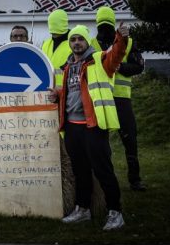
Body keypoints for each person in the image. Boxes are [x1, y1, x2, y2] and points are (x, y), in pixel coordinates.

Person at [48, 23, 129, 231]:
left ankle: (115, 212)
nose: (76, 43)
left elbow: (116, 55)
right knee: (80, 171)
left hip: (93, 125)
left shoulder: (99, 60)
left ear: (87, 41)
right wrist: (58, 94)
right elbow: (73, 90)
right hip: (72, 127)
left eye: (80, 39)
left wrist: (121, 38)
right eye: (73, 40)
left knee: (103, 170)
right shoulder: (68, 67)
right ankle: (82, 209)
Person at [91, 6, 146, 191]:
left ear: (113, 23)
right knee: (99, 141)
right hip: (99, 99)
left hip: (121, 99)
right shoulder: (91, 44)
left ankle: (135, 179)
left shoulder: (127, 42)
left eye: (107, 25)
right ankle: (101, 180)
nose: (104, 29)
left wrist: (118, 66)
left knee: (130, 140)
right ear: (97, 24)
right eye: (102, 25)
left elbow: (138, 66)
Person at [41, 9, 71, 90]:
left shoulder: (74, 44)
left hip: (67, 93)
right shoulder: (45, 44)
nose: (54, 33)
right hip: (47, 92)